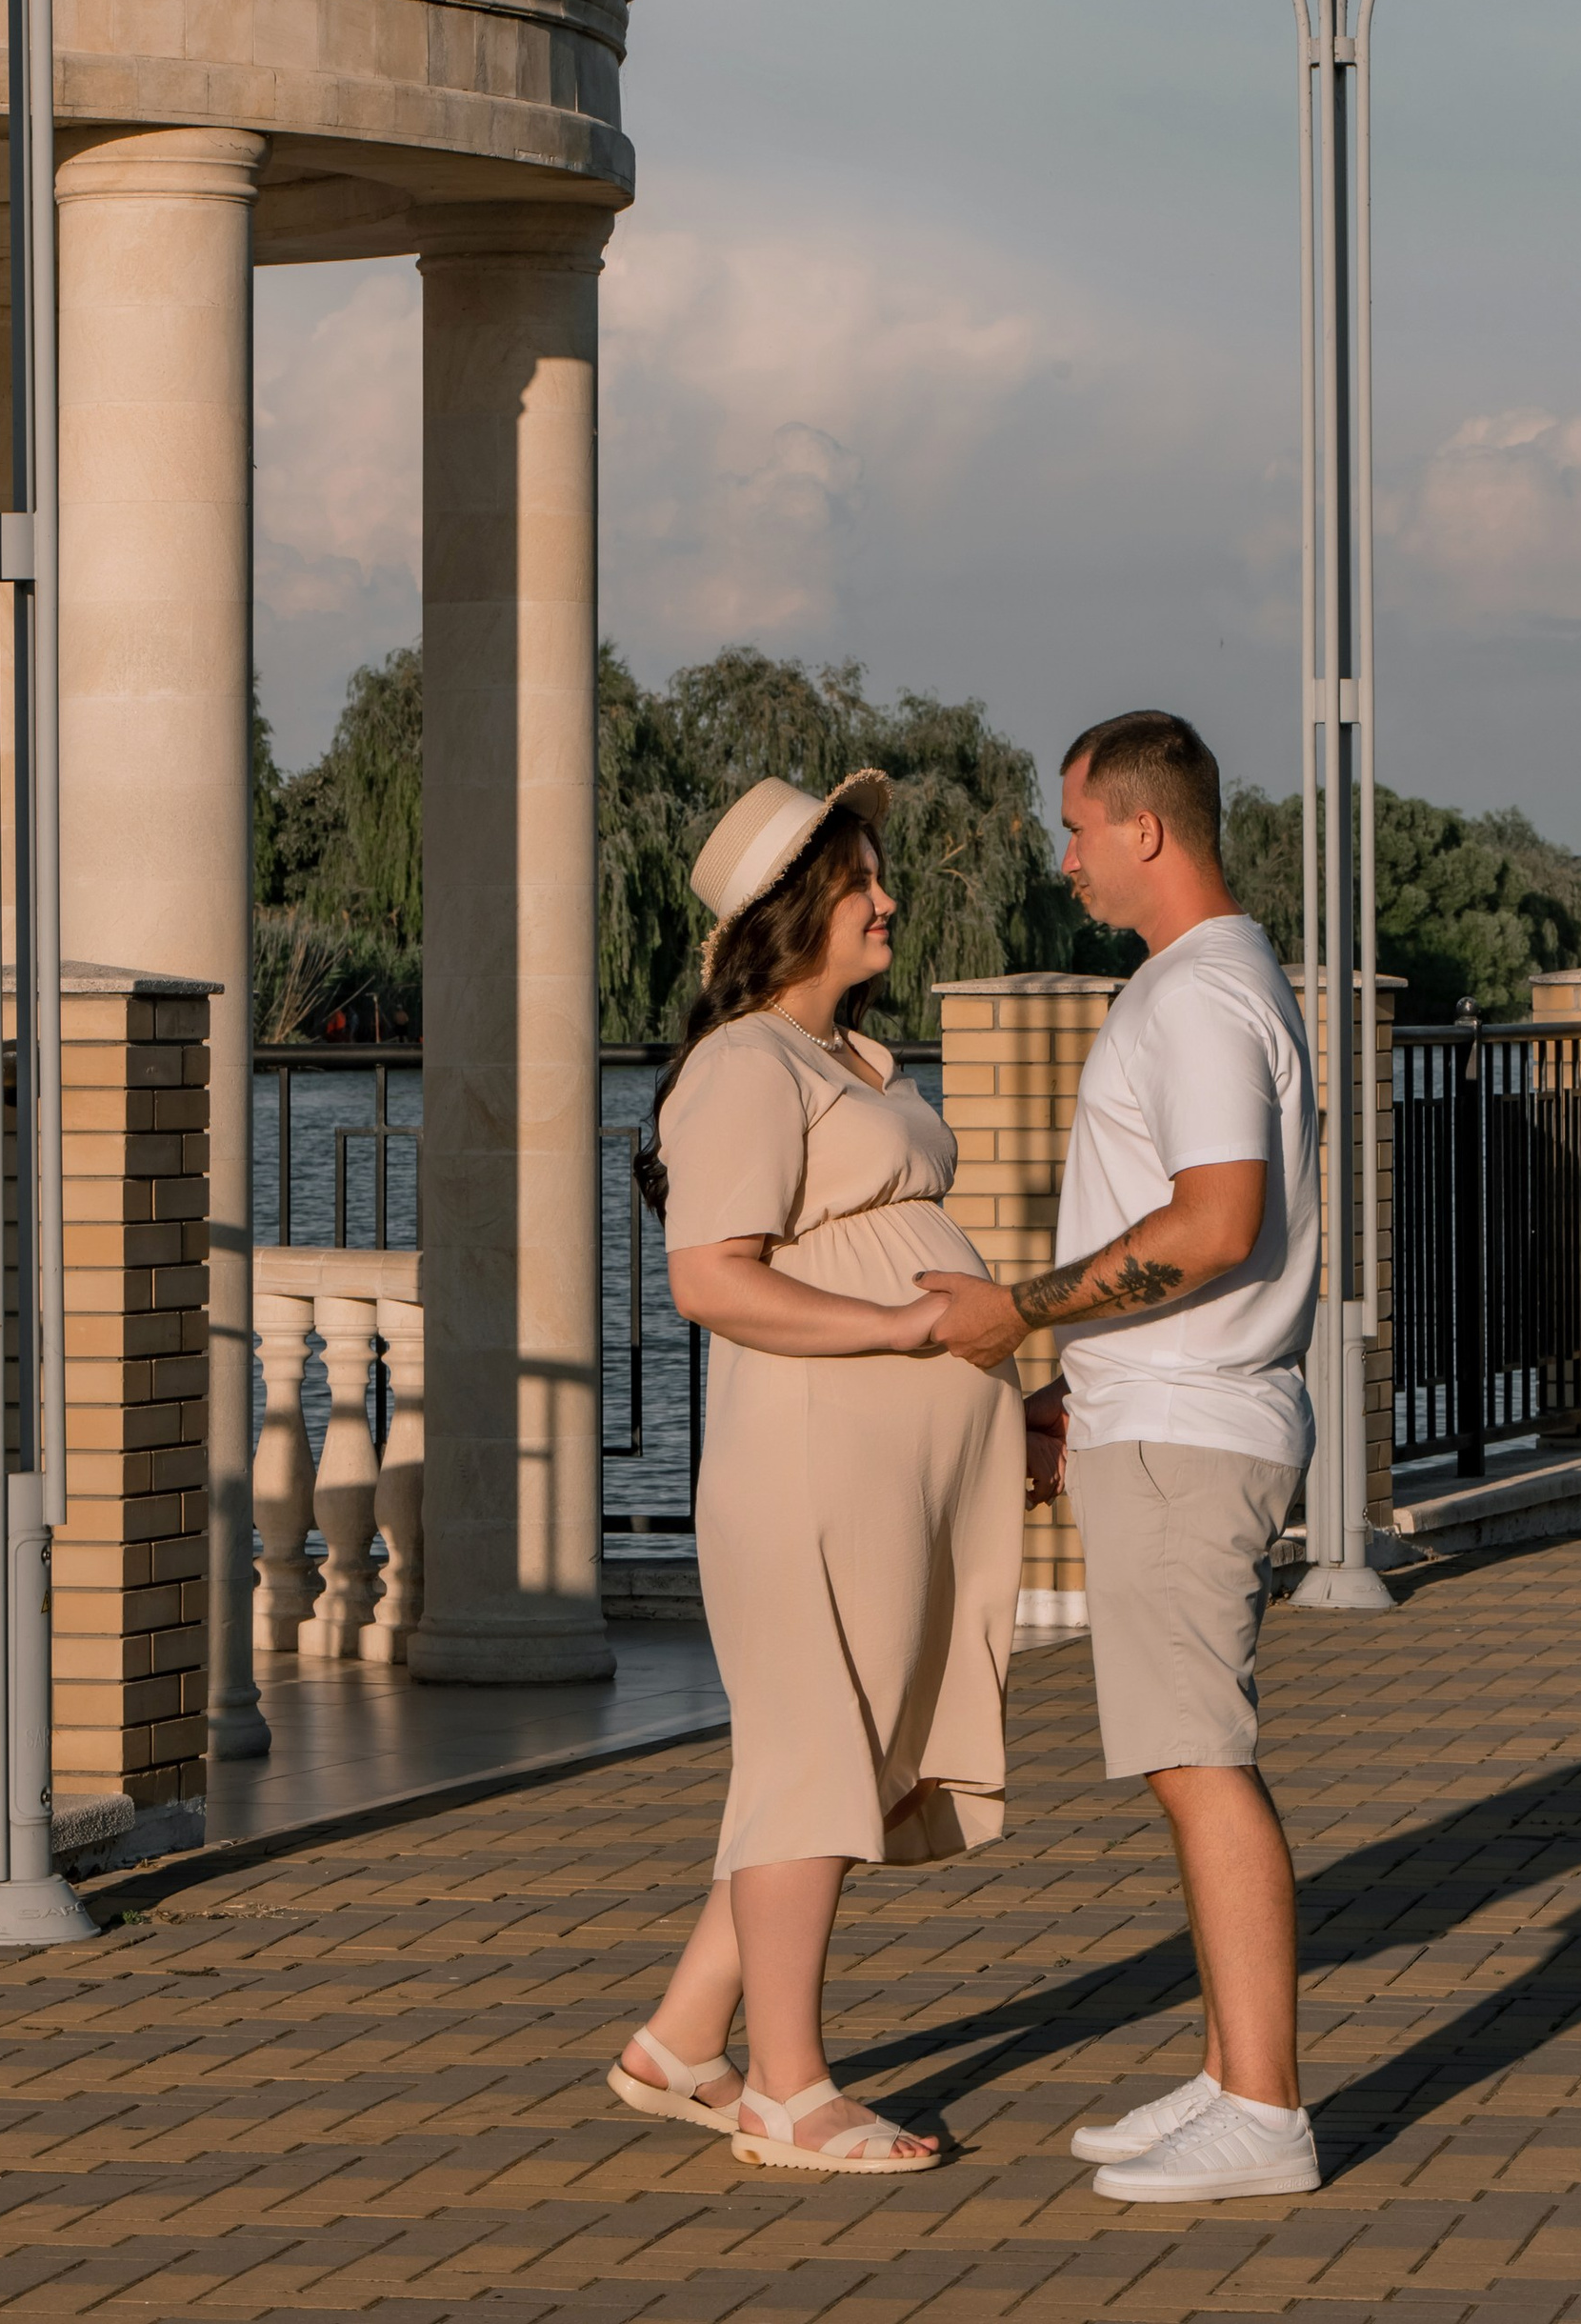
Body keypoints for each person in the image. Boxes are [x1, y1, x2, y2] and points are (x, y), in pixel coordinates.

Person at [920, 707, 1324, 2204]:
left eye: (1078, 826)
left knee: (1198, 1760)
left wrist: (1016, 1313)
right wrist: (1070, 1394)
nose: (1066, 855)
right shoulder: (1199, 985)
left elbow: (1218, 1224)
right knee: (1185, 1755)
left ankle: (1267, 2112)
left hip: (1190, 1435)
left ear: (1146, 829)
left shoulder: (1200, 997)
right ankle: (1231, 2076)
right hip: (1158, 1417)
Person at [609, 770, 1024, 2175]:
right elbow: (713, 1283)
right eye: (860, 881)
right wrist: (908, 1323)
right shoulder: (743, 1065)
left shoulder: (849, 1058)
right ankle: (789, 2092)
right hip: (802, 1463)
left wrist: (1000, 1402)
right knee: (809, 1757)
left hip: (884, 1468)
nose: (888, 897)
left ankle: (680, 2041)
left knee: (830, 1756)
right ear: (794, 911)